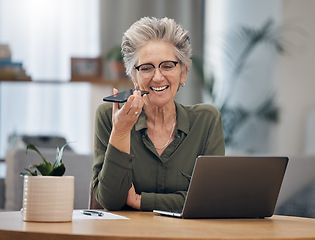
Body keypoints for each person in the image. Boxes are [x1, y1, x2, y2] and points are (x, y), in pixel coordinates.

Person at [92, 17, 225, 211]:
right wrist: (120, 132)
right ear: (134, 78)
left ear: (183, 73)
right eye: (146, 68)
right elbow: (110, 201)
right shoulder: (109, 116)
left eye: (167, 65)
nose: (157, 77)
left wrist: (141, 201)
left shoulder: (207, 120)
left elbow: (212, 199)